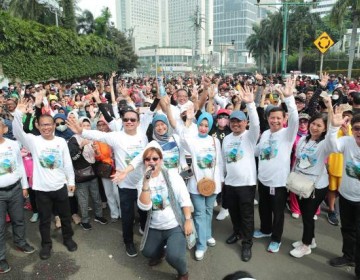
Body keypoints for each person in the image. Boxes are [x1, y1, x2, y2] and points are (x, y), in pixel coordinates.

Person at [67, 108, 148, 258]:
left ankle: (144, 228)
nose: (129, 122)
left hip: (142, 183)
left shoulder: (143, 136)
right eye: (126, 119)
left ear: (138, 122)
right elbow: (100, 135)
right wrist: (81, 132)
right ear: (122, 121)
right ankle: (128, 241)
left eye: (133, 119)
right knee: (128, 215)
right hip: (125, 184)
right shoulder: (117, 136)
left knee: (144, 210)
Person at [12, 102, 77, 260]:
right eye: (42, 125)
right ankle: (46, 245)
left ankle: (68, 239)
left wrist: (71, 181)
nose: (46, 128)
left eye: (49, 124)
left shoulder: (61, 142)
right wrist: (18, 113)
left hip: (60, 186)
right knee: (45, 220)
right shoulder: (34, 141)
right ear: (38, 126)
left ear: (54, 125)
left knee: (65, 217)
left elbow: (67, 162)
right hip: (41, 189)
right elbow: (17, 132)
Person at [289, 97, 343, 258]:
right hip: (301, 183)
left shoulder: (325, 143)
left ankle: (306, 245)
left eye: (319, 125)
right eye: (313, 123)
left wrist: (334, 127)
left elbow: (333, 144)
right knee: (306, 214)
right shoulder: (304, 140)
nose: (314, 127)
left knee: (307, 216)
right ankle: (310, 239)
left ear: (325, 128)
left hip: (316, 186)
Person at [254, 77, 299, 253]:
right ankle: (265, 230)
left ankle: (276, 238)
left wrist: (289, 99)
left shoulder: (288, 134)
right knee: (264, 209)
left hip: (279, 184)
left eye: (278, 118)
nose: (275, 121)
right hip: (263, 181)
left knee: (278, 214)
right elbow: (257, 152)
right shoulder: (265, 134)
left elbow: (295, 119)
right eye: (272, 118)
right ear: (268, 118)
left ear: (284, 118)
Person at [136, 147, 192, 280]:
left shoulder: (172, 175)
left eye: (155, 158)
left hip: (174, 225)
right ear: (144, 162)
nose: (151, 162)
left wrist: (188, 219)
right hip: (155, 226)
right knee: (147, 251)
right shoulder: (141, 181)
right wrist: (145, 184)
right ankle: (160, 252)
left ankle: (183, 272)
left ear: (160, 160)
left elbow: (184, 198)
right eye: (148, 159)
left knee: (174, 257)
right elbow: (144, 206)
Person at [222, 86, 260, 262]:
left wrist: (250, 104)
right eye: (233, 122)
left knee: (246, 216)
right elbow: (224, 162)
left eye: (239, 121)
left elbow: (257, 123)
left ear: (245, 123)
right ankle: (237, 232)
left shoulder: (250, 136)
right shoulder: (227, 139)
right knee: (234, 212)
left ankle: (247, 243)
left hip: (246, 184)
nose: (236, 124)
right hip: (230, 183)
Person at [181, 111, 224, 261]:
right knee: (199, 213)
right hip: (196, 184)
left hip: (212, 184)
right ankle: (201, 245)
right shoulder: (192, 140)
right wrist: (188, 121)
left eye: (206, 126)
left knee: (208, 211)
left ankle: (207, 235)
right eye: (201, 125)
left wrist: (221, 182)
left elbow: (219, 163)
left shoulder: (215, 141)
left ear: (210, 126)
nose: (203, 128)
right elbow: (183, 139)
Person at [0, 118, 35, 273]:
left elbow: (19, 165)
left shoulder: (13, 144)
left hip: (15, 189)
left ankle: (20, 242)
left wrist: (24, 186)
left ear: (4, 129)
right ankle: (1, 257)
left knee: (19, 219)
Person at [329, 114, 360, 280]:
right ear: (352, 129)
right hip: (346, 196)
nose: (359, 132)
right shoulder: (347, 142)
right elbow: (332, 146)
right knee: (347, 229)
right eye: (357, 128)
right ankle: (348, 256)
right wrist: (334, 127)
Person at [67, 117, 108, 230]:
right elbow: (73, 157)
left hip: (93, 173)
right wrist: (81, 146)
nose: (85, 128)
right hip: (81, 176)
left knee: (96, 196)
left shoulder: (92, 138)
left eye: (88, 125)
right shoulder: (73, 140)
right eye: (83, 125)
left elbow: (97, 158)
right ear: (79, 126)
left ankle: (99, 216)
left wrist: (96, 151)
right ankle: (84, 220)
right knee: (83, 199)